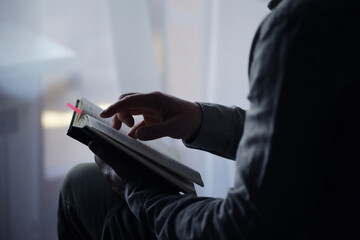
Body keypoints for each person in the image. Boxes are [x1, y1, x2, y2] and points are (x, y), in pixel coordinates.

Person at [58, 0, 360, 239]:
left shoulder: (299, 27)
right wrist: (200, 119)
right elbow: (314, 137)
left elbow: (243, 228)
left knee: (80, 186)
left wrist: (140, 190)